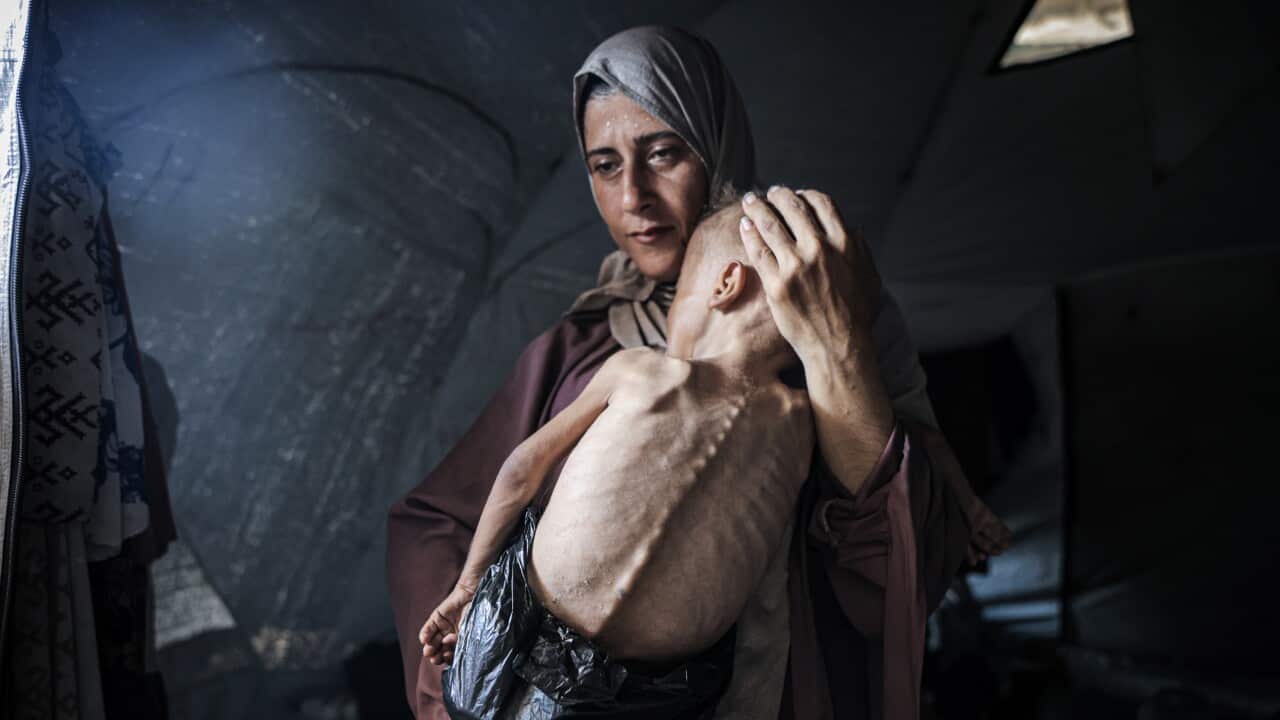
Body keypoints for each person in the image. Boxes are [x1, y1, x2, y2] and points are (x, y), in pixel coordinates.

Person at [386, 25, 1011, 720]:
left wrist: (836, 350)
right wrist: (464, 670)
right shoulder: (582, 347)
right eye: (605, 165)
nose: (634, 196)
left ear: (716, 145)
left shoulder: (823, 352)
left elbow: (893, 572)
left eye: (663, 154)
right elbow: (434, 519)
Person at [421, 194, 815, 717]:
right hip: (541, 631)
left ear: (724, 286)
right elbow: (768, 592)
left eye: (679, 295)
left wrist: (469, 582)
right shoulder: (798, 425)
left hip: (632, 685)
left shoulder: (643, 370)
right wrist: (474, 585)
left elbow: (521, 469)